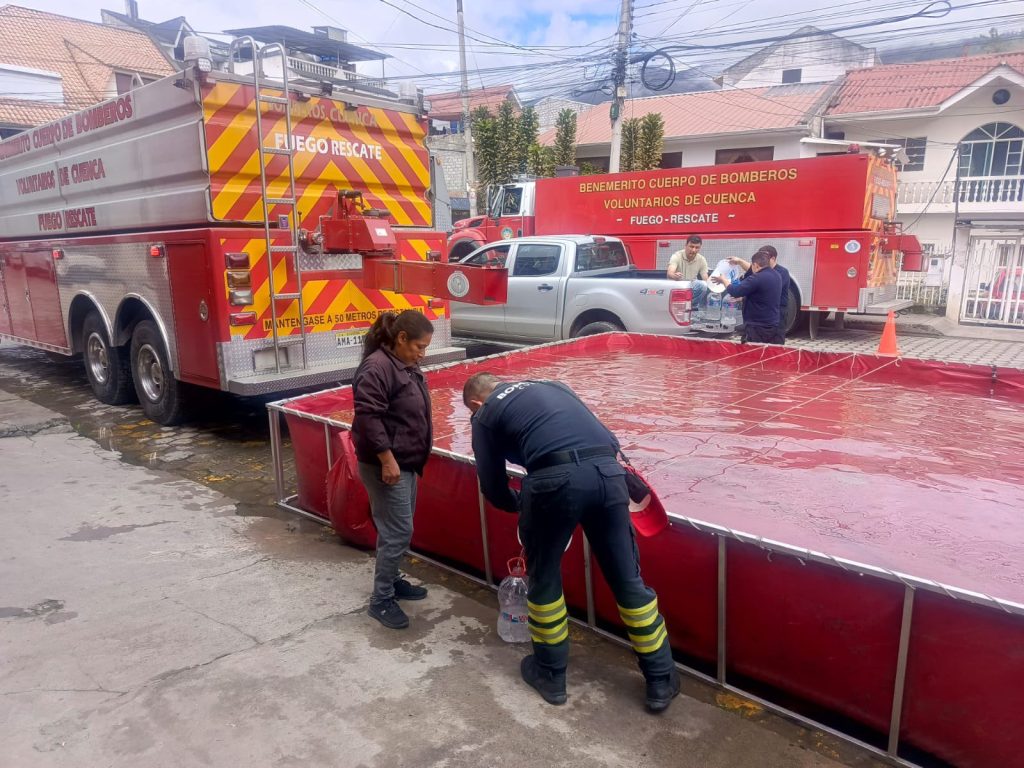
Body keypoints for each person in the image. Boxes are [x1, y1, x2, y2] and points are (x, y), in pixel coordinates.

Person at [463, 373, 680, 712]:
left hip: (552, 483)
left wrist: (522, 505)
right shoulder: (552, 385)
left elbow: (491, 484)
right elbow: (607, 438)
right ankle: (661, 678)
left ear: (476, 403)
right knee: (627, 580)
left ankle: (551, 673)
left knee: (545, 578)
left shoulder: (485, 411)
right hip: (608, 476)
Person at [352, 310, 435, 630]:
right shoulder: (377, 368)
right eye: (419, 346)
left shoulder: (403, 364)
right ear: (401, 339)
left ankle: (393, 579)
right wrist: (387, 459)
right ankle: (381, 598)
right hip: (387, 465)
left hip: (407, 462)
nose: (422, 354)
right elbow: (368, 417)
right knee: (398, 531)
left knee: (398, 529)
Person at [712, 250, 784, 345]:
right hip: (772, 324)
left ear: (755, 265)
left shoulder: (757, 278)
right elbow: (764, 296)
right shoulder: (776, 275)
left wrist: (724, 280)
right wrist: (743, 298)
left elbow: (735, 291)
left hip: (757, 327)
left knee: (752, 354)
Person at [729, 244, 791, 338]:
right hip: (756, 320)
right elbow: (752, 269)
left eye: (765, 257)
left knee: (774, 345)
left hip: (775, 316)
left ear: (773, 259)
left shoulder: (781, 273)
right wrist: (740, 262)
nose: (762, 259)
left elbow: (766, 289)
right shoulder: (761, 270)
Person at [667, 234, 710, 309]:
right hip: (677, 286)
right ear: (686, 245)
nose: (693, 250)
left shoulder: (701, 259)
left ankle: (691, 306)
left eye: (697, 247)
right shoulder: (676, 256)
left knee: (703, 285)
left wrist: (715, 285)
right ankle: (683, 306)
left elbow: (705, 278)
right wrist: (674, 275)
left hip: (691, 287)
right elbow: (670, 273)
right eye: (691, 246)